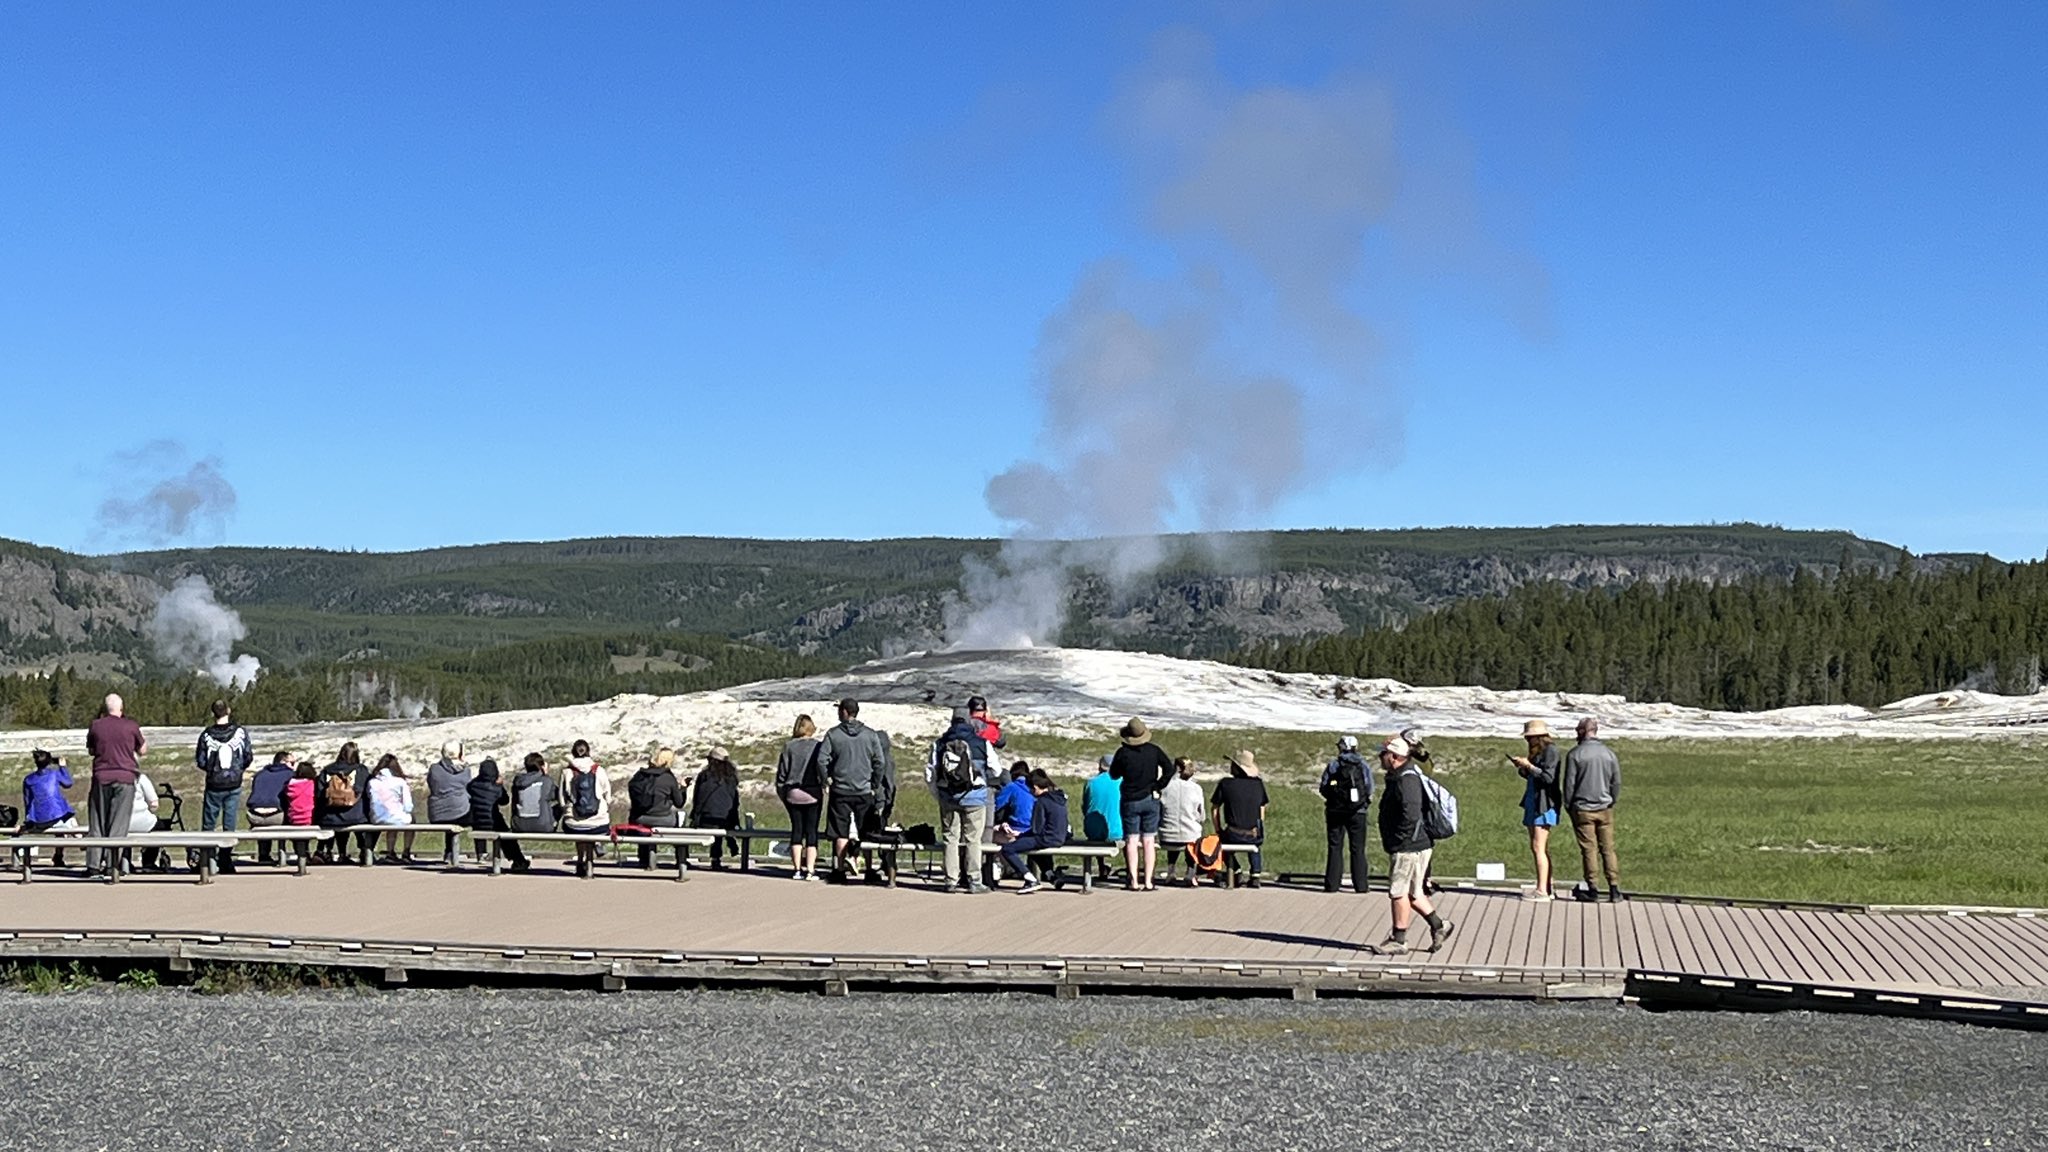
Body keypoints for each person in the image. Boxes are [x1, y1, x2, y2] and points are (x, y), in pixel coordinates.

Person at [1372, 736, 1454, 955]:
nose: (1380, 757)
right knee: (1413, 892)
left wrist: (1398, 840)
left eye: (1384, 754)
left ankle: (1399, 940)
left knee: (1398, 892)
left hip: (1408, 846)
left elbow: (1410, 813)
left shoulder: (1406, 780)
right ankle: (1439, 926)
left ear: (1395, 757)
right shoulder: (1403, 775)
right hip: (1416, 844)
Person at [814, 698, 889, 881]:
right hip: (864, 790)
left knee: (840, 831)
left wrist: (826, 780)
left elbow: (821, 760)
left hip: (840, 789)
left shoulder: (833, 735)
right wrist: (874, 784)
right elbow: (880, 762)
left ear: (845, 712)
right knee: (867, 831)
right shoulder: (871, 735)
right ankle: (869, 870)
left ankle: (839, 869)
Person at [926, 706, 993, 893]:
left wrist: (938, 794)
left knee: (950, 838)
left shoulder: (939, 743)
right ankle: (974, 880)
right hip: (975, 797)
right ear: (969, 720)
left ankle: (951, 880)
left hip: (948, 797)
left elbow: (930, 773)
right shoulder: (981, 743)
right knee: (973, 839)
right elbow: (995, 768)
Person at [1562, 717, 1624, 902]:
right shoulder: (1609, 754)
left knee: (1589, 850)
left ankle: (1593, 888)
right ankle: (1614, 888)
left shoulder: (1575, 755)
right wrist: (1612, 799)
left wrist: (1568, 805)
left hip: (1582, 808)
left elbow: (1569, 785)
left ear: (1582, 732)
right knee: (1608, 849)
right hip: (1604, 807)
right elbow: (1617, 781)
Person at [85, 693, 146, 880]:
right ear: (122, 708)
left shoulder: (96, 726)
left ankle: (93, 866)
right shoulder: (131, 726)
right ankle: (113, 866)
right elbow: (142, 750)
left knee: (97, 822)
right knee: (118, 824)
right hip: (125, 777)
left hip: (101, 776)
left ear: (105, 708)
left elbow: (91, 750)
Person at [1108, 717, 1172, 891]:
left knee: (1131, 840)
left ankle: (1134, 880)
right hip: (1150, 797)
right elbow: (1169, 768)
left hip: (1130, 798)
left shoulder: (1123, 753)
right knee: (1149, 841)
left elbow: (1113, 774)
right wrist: (1158, 785)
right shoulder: (1154, 750)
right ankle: (1149, 881)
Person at [194, 699, 252, 874]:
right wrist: (238, 769)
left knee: (209, 823)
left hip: (213, 783)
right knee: (230, 822)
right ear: (228, 710)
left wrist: (212, 770)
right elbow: (247, 756)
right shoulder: (240, 732)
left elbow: (201, 760)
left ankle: (208, 860)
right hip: (233, 782)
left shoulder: (206, 735)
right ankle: (226, 859)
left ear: (213, 713)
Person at [1510, 720, 1563, 901]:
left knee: (1538, 847)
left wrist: (1529, 766)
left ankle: (1541, 891)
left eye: (1530, 738)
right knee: (1539, 848)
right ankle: (1547, 886)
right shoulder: (1538, 752)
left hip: (1544, 804)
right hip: (1534, 801)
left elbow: (1548, 777)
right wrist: (1523, 767)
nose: (1527, 741)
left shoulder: (1551, 752)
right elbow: (1533, 774)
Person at [1319, 735, 1373, 895]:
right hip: (1358, 812)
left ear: (1341, 748)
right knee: (1358, 849)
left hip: (1335, 811)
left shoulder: (1334, 765)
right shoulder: (1363, 765)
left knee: (1335, 847)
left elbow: (1324, 787)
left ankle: (1332, 884)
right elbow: (1369, 787)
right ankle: (1361, 885)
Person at [1001, 768, 1069, 894]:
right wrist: (1022, 835)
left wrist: (1020, 835)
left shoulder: (1041, 802)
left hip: (1046, 838)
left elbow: (1036, 829)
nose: (1030, 792)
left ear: (1036, 787)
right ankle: (1050, 875)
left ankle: (1029, 878)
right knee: (1029, 845)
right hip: (1060, 837)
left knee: (1008, 849)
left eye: (1031, 789)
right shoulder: (1058, 798)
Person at [774, 715, 824, 880]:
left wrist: (783, 792)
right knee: (811, 832)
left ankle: (796, 869)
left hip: (793, 792)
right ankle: (810, 869)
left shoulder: (789, 747)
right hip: (812, 793)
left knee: (796, 830)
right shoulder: (818, 746)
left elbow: (782, 773)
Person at [1211, 751, 1269, 888]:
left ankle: (1236, 870)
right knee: (1256, 844)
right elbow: (1261, 811)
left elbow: (1215, 808)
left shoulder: (1226, 784)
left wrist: (1218, 828)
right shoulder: (1258, 784)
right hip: (1252, 833)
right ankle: (1255, 874)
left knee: (1221, 842)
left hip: (1233, 832)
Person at [627, 748, 688, 870]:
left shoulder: (639, 775)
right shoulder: (668, 778)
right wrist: (683, 788)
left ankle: (644, 857)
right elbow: (679, 803)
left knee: (645, 829)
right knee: (681, 817)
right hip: (663, 819)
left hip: (640, 819)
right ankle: (681, 858)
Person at [19, 749, 79, 870]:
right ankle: (84, 847)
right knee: (71, 823)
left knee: (61, 828)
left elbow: (27, 801)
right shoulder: (54, 774)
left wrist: (28, 820)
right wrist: (63, 767)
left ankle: (58, 856)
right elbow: (68, 783)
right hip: (57, 817)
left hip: (38, 820)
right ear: (49, 762)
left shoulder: (29, 780)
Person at [560, 739, 612, 878]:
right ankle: (590, 860)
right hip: (598, 823)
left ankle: (580, 859)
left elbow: (562, 800)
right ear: (588, 751)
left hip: (573, 825)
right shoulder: (599, 770)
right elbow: (608, 797)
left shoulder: (566, 772)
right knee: (592, 827)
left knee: (578, 826)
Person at [467, 758, 527, 872]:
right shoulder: (496, 787)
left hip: (477, 822)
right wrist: (501, 785)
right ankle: (518, 860)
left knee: (479, 820)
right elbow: (505, 801)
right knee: (507, 836)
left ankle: (481, 853)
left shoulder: (472, 785)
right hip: (493, 822)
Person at [315, 742, 371, 865]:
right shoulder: (361, 770)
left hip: (330, 816)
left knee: (337, 818)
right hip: (355, 815)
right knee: (360, 819)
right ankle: (364, 850)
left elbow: (319, 793)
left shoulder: (327, 770)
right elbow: (366, 791)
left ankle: (339, 853)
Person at [688, 747, 742, 869]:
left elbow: (698, 798)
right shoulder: (731, 777)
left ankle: (716, 857)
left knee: (714, 821)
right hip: (727, 818)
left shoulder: (705, 776)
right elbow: (735, 800)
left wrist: (695, 816)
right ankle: (728, 844)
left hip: (706, 817)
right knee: (722, 824)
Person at [424, 740, 473, 866]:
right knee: (476, 816)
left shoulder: (434, 769)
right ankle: (481, 853)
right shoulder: (465, 770)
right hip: (461, 811)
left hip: (437, 813)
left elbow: (432, 785)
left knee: (450, 816)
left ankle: (449, 853)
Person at [1158, 757, 1206, 887]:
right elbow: (1201, 816)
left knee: (1173, 827)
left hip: (1167, 835)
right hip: (1189, 835)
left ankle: (1171, 871)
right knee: (1192, 834)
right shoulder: (1196, 788)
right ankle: (1190, 872)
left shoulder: (1165, 786)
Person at [245, 751, 296, 866]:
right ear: (283, 762)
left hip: (254, 816)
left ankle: (264, 855)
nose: (294, 766)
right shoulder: (290, 775)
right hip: (277, 816)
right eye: (292, 763)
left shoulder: (260, 774)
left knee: (264, 817)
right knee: (288, 814)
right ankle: (287, 854)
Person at [1081, 754, 1123, 883]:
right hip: (1118, 831)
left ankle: (1101, 867)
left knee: (1096, 828)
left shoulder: (1091, 783)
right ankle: (1132, 872)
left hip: (1094, 831)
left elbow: (1085, 806)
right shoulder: (1122, 782)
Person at [367, 754, 417, 862]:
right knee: (409, 819)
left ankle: (390, 851)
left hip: (376, 818)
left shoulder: (372, 782)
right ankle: (406, 851)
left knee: (392, 820)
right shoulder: (400, 782)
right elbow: (408, 806)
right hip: (394, 816)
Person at [509, 751, 562, 834]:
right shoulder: (546, 781)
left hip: (518, 826)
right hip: (543, 826)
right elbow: (557, 796)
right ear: (542, 766)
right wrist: (545, 774)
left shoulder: (518, 781)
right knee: (560, 805)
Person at [129, 769, 168, 873]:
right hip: (142, 820)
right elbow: (154, 803)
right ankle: (148, 862)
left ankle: (123, 861)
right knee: (160, 826)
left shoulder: (111, 778)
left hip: (119, 820)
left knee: (120, 833)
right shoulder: (140, 778)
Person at [284, 760, 318, 865]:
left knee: (297, 838)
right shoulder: (312, 784)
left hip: (294, 818)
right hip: (309, 817)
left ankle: (300, 854)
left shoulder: (290, 785)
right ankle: (307, 855)